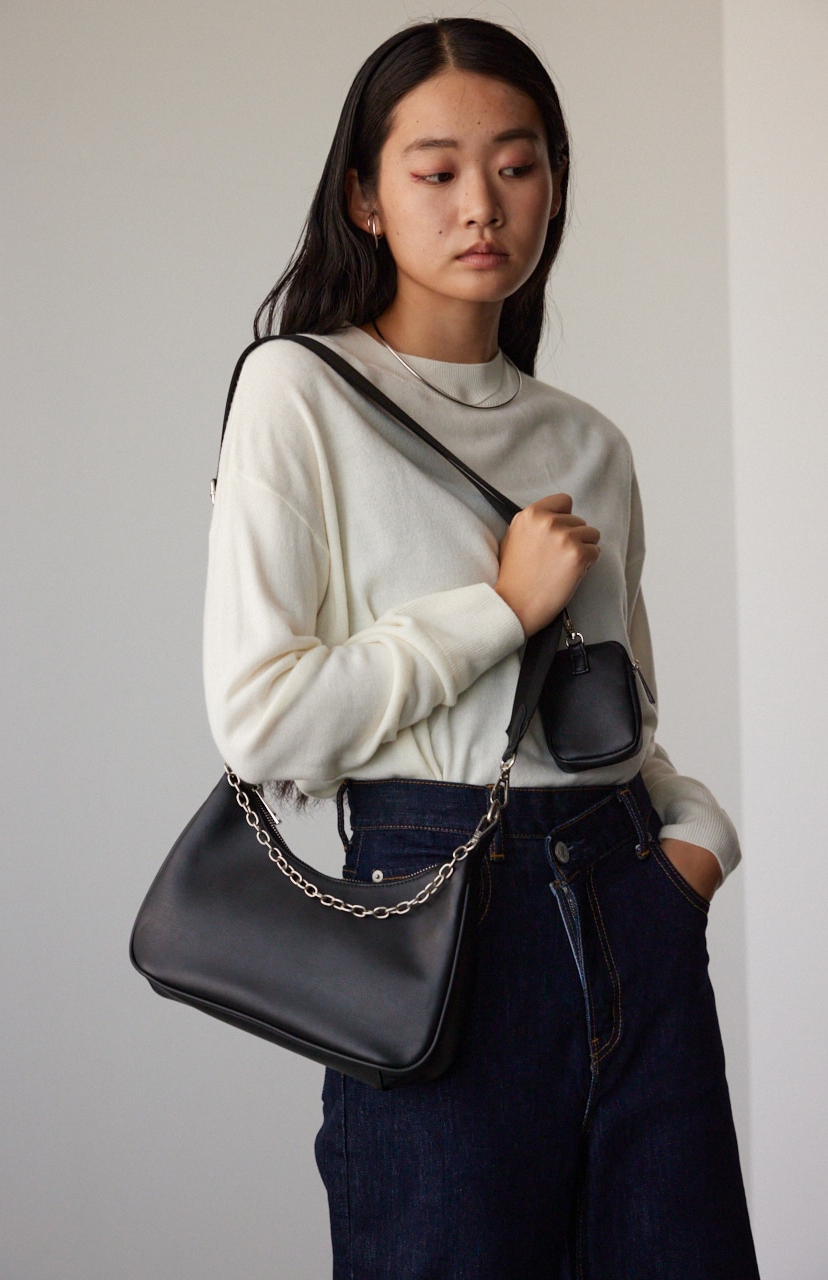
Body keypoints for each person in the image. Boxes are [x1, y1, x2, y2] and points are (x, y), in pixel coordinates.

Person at [203, 18, 760, 1279]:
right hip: (437, 923)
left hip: (633, 904)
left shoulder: (589, 443)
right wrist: (497, 610)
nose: (481, 205)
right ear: (364, 195)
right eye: (437, 169)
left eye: (516, 165)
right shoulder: (299, 393)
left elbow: (618, 713)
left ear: (552, 183)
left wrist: (694, 845)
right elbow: (261, 717)